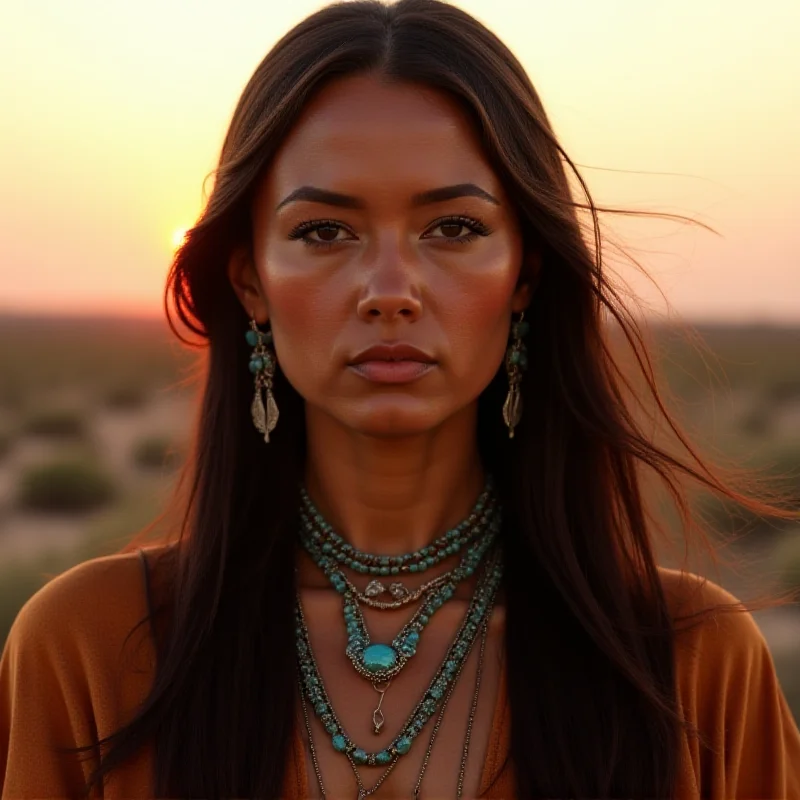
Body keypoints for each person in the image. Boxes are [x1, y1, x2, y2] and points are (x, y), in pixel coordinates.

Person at [2, 0, 800, 797]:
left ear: (524, 273)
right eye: (324, 231)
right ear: (250, 281)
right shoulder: (91, 650)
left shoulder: (690, 666)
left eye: (453, 228)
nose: (390, 292)